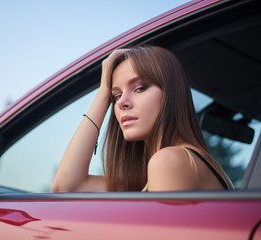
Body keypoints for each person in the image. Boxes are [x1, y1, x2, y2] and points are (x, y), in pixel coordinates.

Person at [52, 45, 234, 192]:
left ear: (172, 93)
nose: (122, 102)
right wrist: (102, 92)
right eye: (116, 96)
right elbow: (67, 186)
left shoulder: (169, 161)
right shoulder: (159, 171)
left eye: (139, 88)